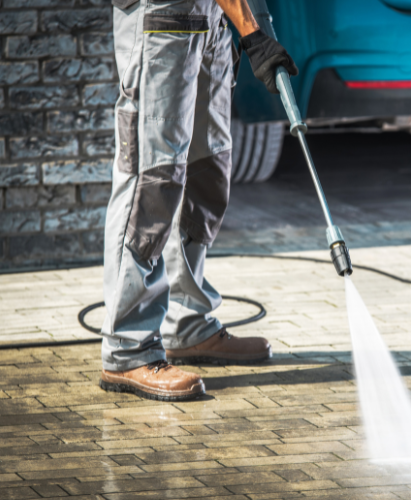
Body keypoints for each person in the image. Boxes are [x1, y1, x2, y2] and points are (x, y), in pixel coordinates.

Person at [99, 0, 298, 401]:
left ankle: (187, 323)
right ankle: (128, 346)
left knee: (208, 171)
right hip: (161, 17)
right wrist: (251, 30)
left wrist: (256, 26)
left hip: (211, 19)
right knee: (153, 179)